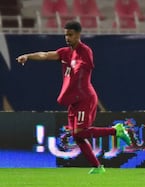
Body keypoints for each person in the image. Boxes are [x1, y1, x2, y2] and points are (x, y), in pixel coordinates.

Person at [16, 21, 132, 174]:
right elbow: (45, 55)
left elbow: (86, 66)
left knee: (79, 132)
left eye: (70, 35)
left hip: (85, 97)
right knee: (76, 136)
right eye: (65, 35)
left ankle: (116, 130)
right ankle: (98, 167)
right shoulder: (65, 52)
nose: (67, 38)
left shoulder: (85, 51)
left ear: (78, 35)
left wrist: (75, 68)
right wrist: (28, 56)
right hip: (73, 100)